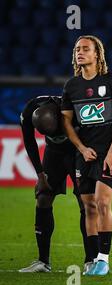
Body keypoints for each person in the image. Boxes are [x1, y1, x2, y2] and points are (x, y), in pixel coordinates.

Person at [61, 35, 112, 276]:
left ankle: (103, 259)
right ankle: (90, 259)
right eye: (77, 49)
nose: (80, 53)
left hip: (108, 152)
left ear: (97, 54)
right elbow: (67, 121)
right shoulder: (71, 86)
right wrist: (80, 148)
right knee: (88, 205)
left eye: (86, 49)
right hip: (84, 153)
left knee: (102, 201)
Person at [19, 96, 90, 272]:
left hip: (78, 151)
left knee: (86, 202)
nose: (53, 135)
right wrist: (40, 174)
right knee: (43, 197)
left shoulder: (74, 107)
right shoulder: (29, 111)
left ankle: (91, 260)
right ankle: (43, 261)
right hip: (54, 153)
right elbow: (29, 142)